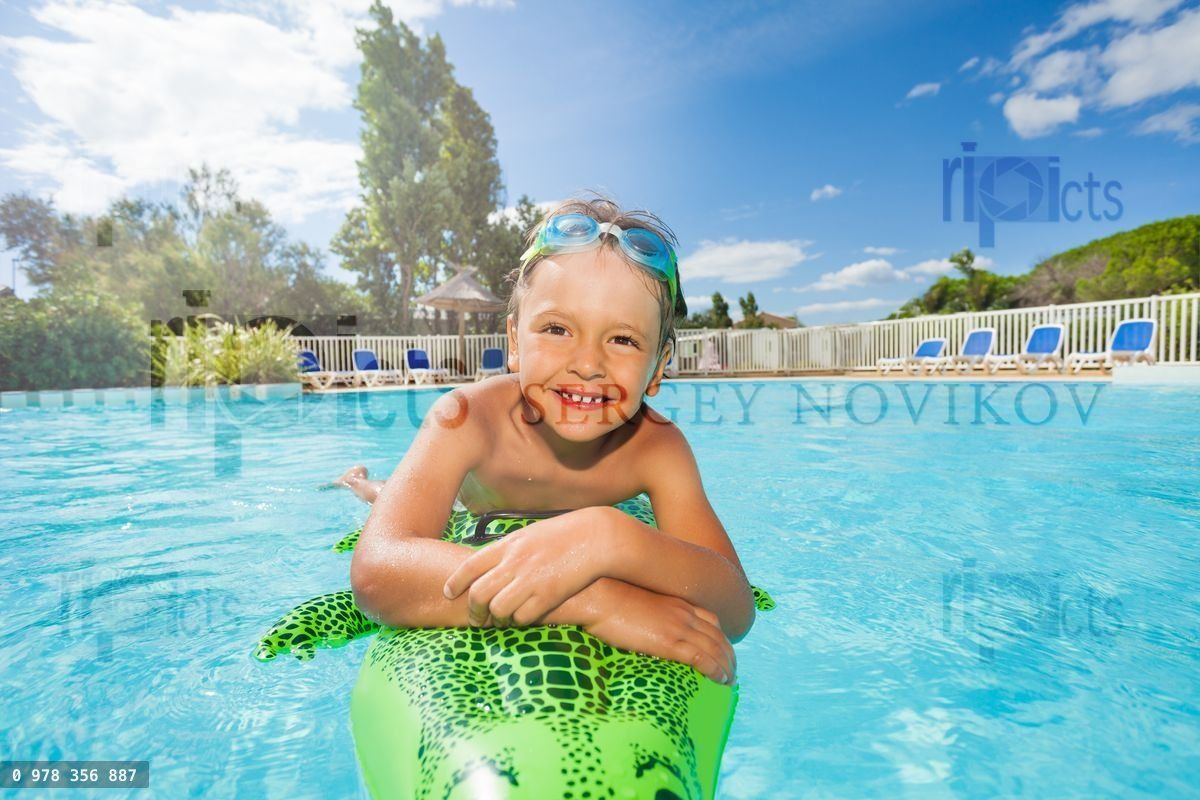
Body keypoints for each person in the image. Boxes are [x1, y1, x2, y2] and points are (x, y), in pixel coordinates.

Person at [349, 196, 754, 685]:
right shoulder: (466, 418)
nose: (587, 364)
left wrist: (613, 537)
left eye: (623, 339)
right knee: (387, 498)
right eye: (557, 328)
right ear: (515, 342)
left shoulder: (657, 447)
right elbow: (377, 571)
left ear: (659, 367)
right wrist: (594, 601)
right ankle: (366, 484)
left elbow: (735, 609)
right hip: (472, 506)